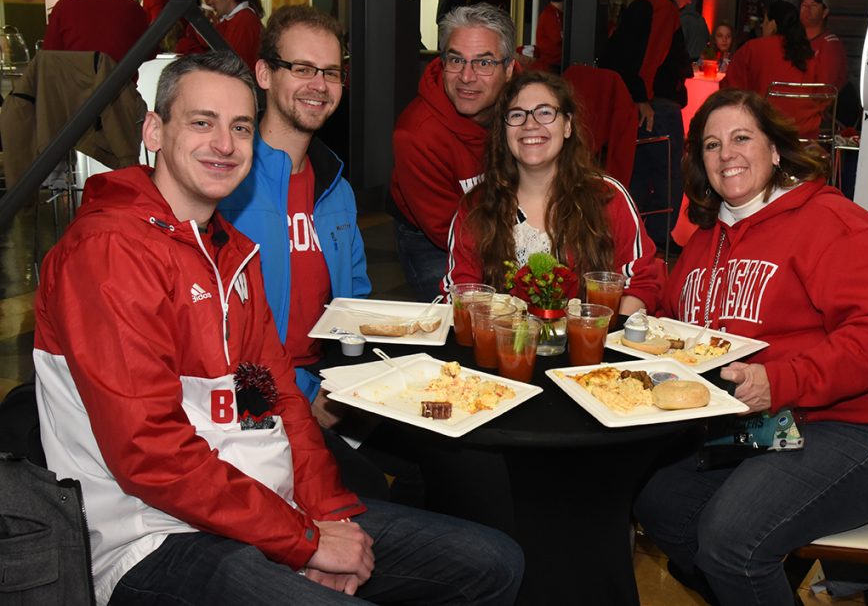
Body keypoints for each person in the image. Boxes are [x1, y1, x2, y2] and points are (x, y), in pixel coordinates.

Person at [33, 51, 524, 606]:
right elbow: (151, 454)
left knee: (492, 561)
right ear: (153, 131)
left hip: (261, 511)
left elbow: (275, 401)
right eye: (202, 122)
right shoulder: (108, 252)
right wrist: (304, 542)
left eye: (241, 127)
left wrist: (328, 515)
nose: (225, 144)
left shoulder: (231, 254)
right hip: (153, 537)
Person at [633, 88, 868, 605]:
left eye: (741, 138)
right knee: (659, 499)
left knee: (730, 540)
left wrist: (780, 381)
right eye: (711, 145)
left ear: (775, 149)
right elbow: (674, 315)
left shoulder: (831, 222)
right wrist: (637, 312)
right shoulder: (707, 238)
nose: (726, 154)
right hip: (774, 425)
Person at [218, 6, 381, 497]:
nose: (319, 85)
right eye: (303, 68)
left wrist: (345, 387)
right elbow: (212, 333)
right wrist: (299, 403)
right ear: (265, 74)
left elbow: (356, 306)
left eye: (331, 72)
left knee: (444, 460)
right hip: (252, 403)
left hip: (327, 386)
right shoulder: (226, 182)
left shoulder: (336, 186)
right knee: (373, 492)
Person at [444, 69, 663, 316]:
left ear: (567, 126)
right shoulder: (476, 205)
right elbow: (459, 292)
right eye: (517, 115)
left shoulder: (606, 196)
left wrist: (602, 332)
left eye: (545, 112)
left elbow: (642, 282)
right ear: (504, 132)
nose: (530, 124)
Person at [388, 3, 515, 301]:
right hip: (434, 237)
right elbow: (446, 229)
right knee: (462, 318)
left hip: (507, 222)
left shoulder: (528, 106)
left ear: (509, 69)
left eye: (484, 63)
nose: (467, 77)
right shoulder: (417, 134)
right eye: (456, 60)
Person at [600, 0, 704, 245]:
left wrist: (638, 97)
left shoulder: (644, 4)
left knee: (638, 173)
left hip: (639, 104)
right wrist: (642, 98)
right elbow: (649, 58)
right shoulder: (664, 9)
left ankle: (630, 237)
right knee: (668, 175)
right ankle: (658, 239)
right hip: (656, 106)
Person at [722, 0, 823, 138]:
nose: (762, 26)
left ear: (773, 24)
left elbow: (730, 91)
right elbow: (822, 96)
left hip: (766, 131)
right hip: (806, 135)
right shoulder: (809, 54)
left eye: (764, 21)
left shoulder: (752, 48)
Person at [799, 0, 847, 91]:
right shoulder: (795, 40)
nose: (807, 9)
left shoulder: (830, 45)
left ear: (824, 12)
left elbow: (826, 87)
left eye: (813, 6)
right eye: (804, 5)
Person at [531, 0, 564, 73]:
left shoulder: (554, 12)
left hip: (553, 61)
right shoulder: (551, 14)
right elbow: (557, 37)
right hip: (550, 62)